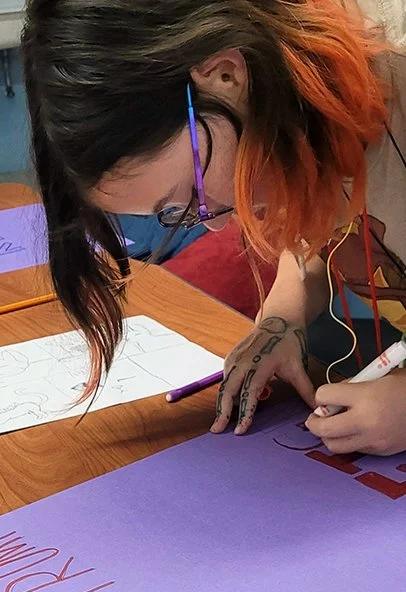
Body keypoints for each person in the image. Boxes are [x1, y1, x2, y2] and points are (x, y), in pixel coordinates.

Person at [21, 0, 406, 456]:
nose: (221, 220)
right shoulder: (288, 112)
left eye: (193, 192)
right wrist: (285, 315)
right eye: (175, 215)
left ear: (226, 75)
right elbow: (317, 242)